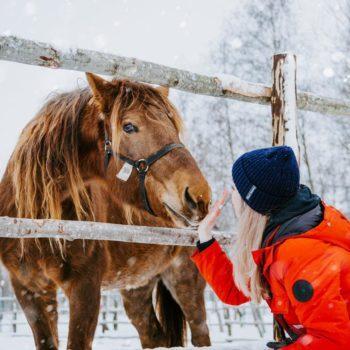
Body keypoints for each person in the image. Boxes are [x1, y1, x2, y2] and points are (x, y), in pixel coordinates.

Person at [192, 146, 350, 349]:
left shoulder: (302, 255)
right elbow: (236, 290)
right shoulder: (282, 231)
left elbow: (333, 343)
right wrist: (205, 240)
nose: (232, 195)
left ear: (252, 203)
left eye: (236, 188)